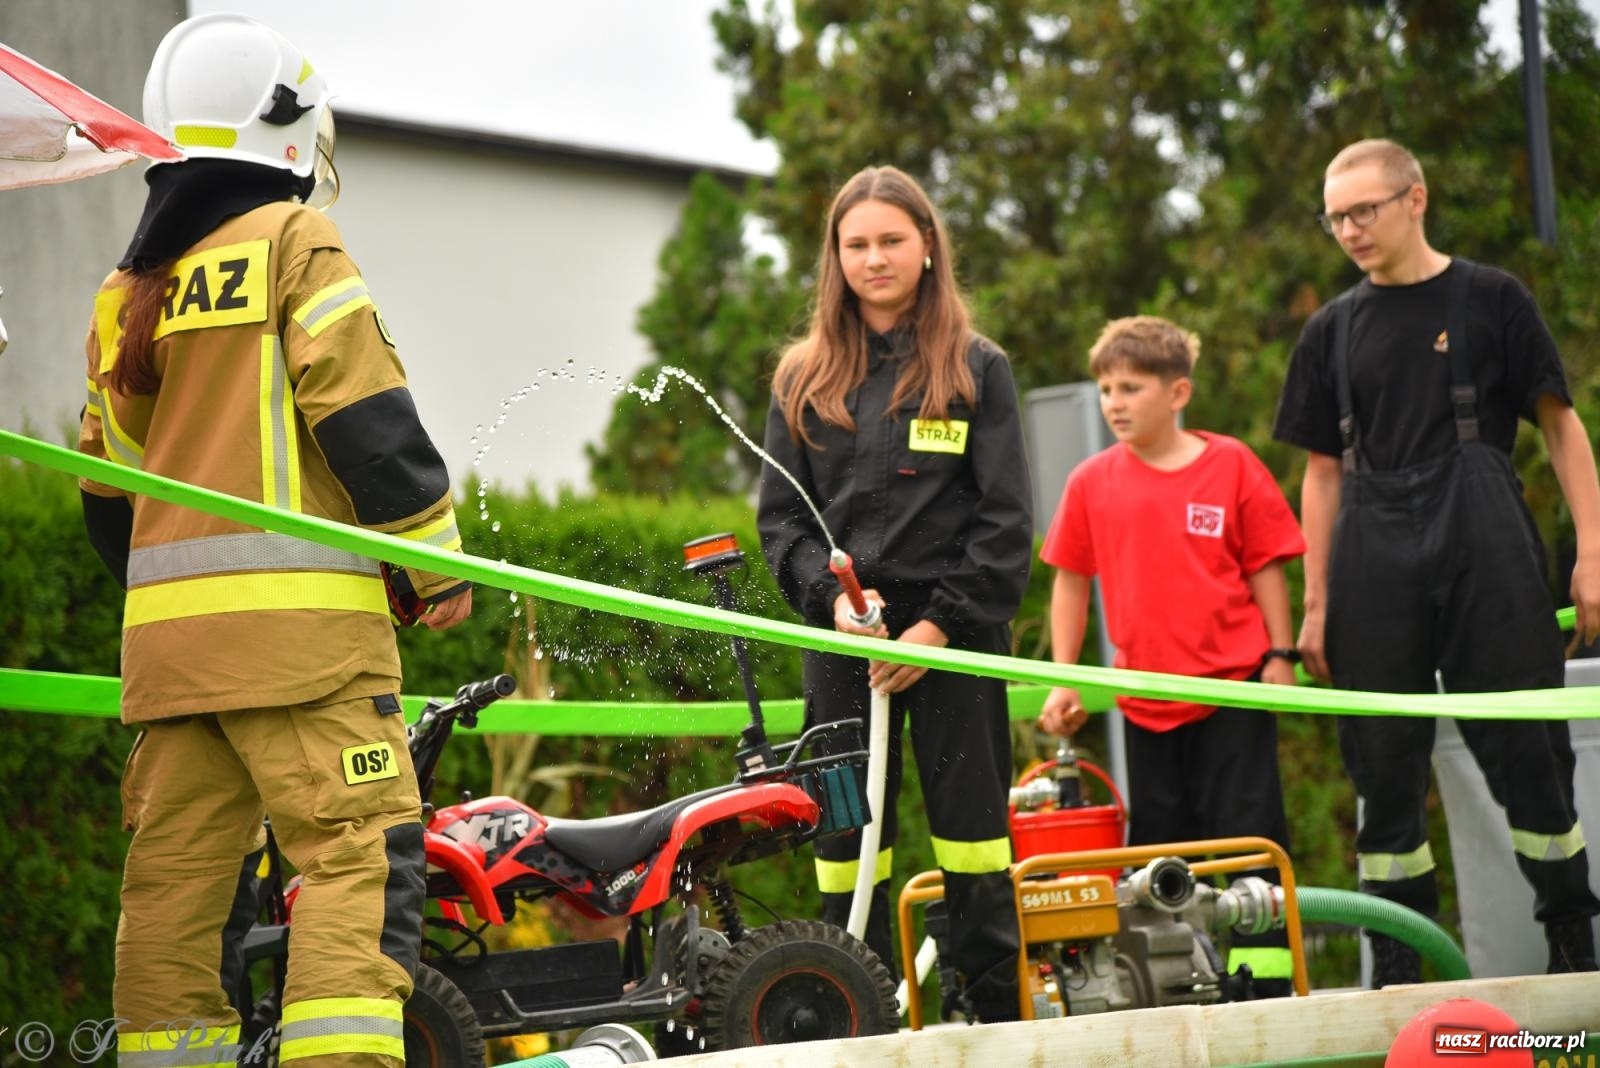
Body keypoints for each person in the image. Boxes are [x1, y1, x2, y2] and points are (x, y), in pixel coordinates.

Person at [76, 14, 473, 1063]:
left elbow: (108, 498)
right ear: (286, 127)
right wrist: (434, 566)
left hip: (172, 668)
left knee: (175, 900)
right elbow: (364, 416)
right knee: (356, 859)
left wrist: (183, 621)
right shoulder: (295, 242)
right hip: (306, 655)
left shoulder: (127, 292)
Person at [1273, 137, 1600, 984]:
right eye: (1335, 218)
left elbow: (1561, 427)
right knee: (1382, 766)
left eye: (1363, 211)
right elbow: (1321, 475)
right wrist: (1316, 603)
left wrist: (1594, 553)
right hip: (1371, 561)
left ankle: (1572, 938)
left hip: (1485, 547)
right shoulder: (1330, 331)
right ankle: (1398, 964)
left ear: (1414, 199)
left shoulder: (1493, 299)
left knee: (1530, 752)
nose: (1349, 230)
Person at [756, 165, 1033, 1023]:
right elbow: (781, 525)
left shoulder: (977, 368)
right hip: (844, 641)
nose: (873, 259)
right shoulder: (801, 377)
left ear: (928, 248)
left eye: (891, 241)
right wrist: (831, 602)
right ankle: (858, 1015)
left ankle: (988, 1020)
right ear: (835, 258)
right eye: (856, 245)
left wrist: (938, 629)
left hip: (954, 641)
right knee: (843, 842)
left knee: (974, 838)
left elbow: (1006, 522)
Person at [1037, 315, 1306, 997]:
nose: (1114, 403)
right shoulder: (1090, 481)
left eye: (1131, 387)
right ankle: (1182, 990)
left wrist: (1280, 654)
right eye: (1106, 389)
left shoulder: (1231, 463)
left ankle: (1269, 994)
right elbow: (1070, 582)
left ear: (1178, 391)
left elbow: (1267, 564)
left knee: (1252, 850)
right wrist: (1064, 679)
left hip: (1233, 693)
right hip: (1147, 707)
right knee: (1161, 866)